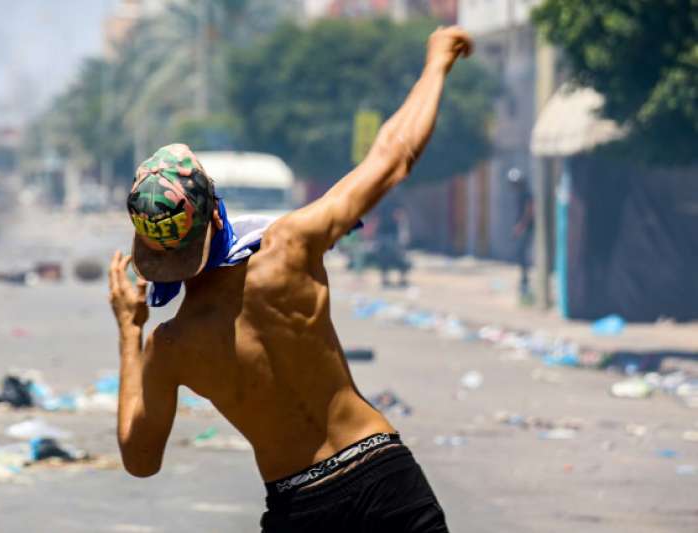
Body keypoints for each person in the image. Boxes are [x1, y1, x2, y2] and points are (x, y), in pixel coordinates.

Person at [107, 26, 473, 532]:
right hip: (383, 477)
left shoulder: (172, 346)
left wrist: (130, 331)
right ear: (216, 216)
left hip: (302, 508)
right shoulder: (291, 246)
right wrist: (437, 63)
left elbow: (140, 459)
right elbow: (393, 156)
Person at [509, 168, 534, 299]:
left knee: (522, 255)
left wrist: (521, 227)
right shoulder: (520, 194)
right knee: (520, 256)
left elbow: (528, 212)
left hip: (526, 229)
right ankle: (524, 282)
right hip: (522, 228)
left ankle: (525, 283)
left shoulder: (526, 195)